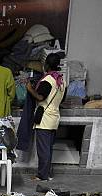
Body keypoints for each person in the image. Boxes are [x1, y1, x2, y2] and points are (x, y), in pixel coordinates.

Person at [26, 53, 66, 182]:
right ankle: (47, 173)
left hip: (44, 118)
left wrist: (29, 88)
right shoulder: (61, 80)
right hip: (54, 117)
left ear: (46, 64)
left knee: (43, 149)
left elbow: (40, 97)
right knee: (48, 148)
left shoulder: (48, 80)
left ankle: (42, 175)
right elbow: (62, 100)